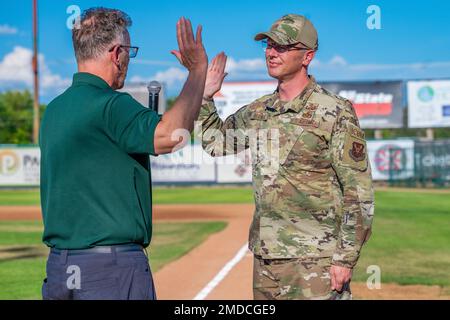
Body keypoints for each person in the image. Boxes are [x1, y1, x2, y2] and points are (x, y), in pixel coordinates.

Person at [198, 14, 374, 300]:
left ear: (307, 56)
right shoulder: (258, 111)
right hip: (266, 258)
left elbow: (358, 191)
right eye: (268, 45)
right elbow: (216, 143)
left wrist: (345, 258)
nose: (270, 52)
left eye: (281, 46)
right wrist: (204, 97)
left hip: (316, 260)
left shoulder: (334, 111)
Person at [39, 7, 207, 300]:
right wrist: (197, 72)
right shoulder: (112, 105)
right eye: (129, 51)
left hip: (60, 269)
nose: (129, 59)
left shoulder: (53, 110)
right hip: (109, 269)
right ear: (117, 53)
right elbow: (171, 136)